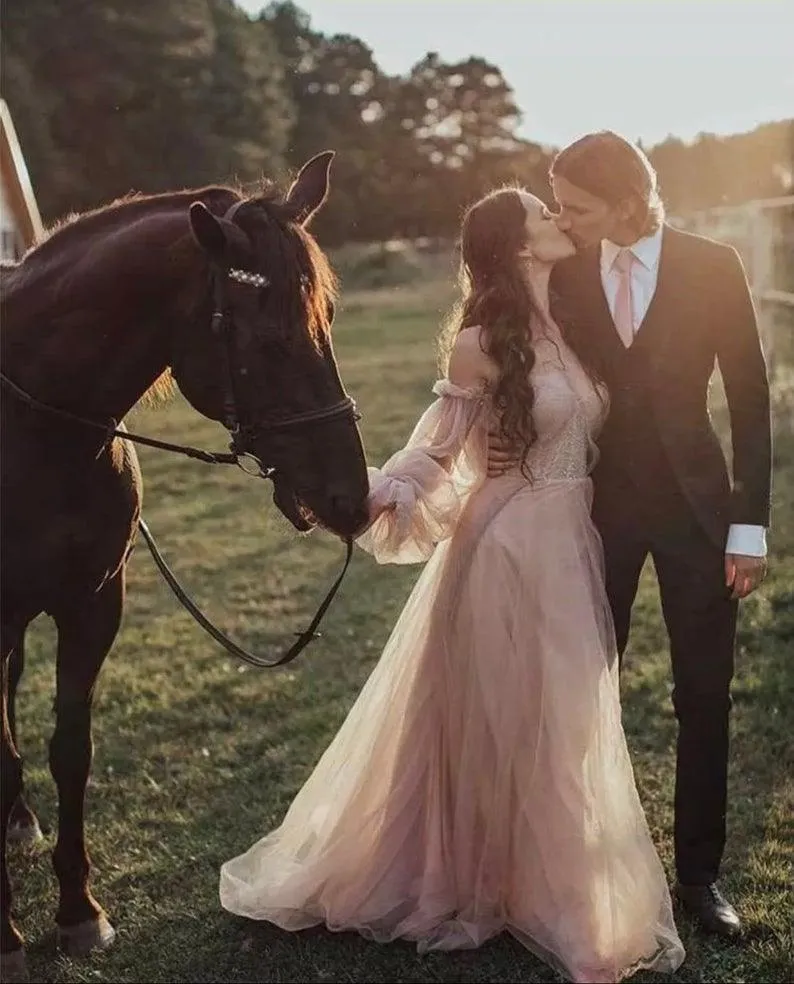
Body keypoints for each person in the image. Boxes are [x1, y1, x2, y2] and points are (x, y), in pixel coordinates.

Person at [219, 187, 686, 984]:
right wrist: (362, 494)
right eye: (542, 214)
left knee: (563, 721)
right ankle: (507, 890)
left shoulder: (566, 323)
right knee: (507, 719)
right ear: (517, 246)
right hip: (506, 547)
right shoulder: (479, 343)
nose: (556, 220)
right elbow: (435, 454)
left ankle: (539, 879)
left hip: (567, 541)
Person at [488, 131, 772, 938]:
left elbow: (751, 403)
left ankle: (699, 877)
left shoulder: (715, 265)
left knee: (703, 695)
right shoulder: (564, 271)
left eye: (575, 205)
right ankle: (575, 870)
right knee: (579, 695)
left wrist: (747, 525)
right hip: (589, 513)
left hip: (698, 515)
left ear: (623, 200)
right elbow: (512, 355)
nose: (564, 218)